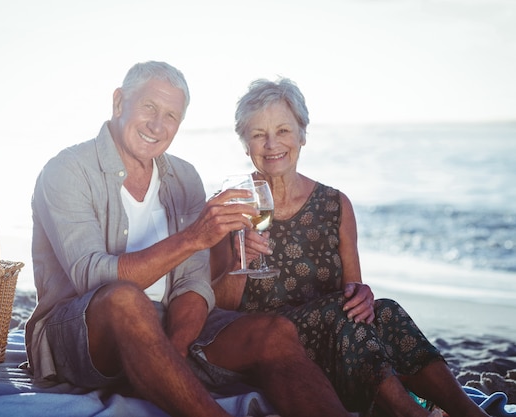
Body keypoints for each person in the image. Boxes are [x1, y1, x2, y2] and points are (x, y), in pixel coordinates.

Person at [25, 61, 353, 417]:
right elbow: (91, 276)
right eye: (149, 107)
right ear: (119, 102)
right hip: (83, 336)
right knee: (125, 300)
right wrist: (193, 238)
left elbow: (193, 282)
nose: (157, 125)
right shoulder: (67, 170)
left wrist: (176, 348)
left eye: (171, 116)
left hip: (169, 326)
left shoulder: (184, 177)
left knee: (275, 331)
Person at [210, 77, 490, 417]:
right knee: (341, 315)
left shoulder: (335, 204)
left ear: (302, 134)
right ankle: (410, 413)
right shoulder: (230, 206)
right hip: (273, 348)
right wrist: (242, 259)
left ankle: (470, 412)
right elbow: (220, 311)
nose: (272, 144)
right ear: (244, 143)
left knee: (385, 310)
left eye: (283, 130)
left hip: (336, 341)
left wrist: (364, 296)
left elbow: (353, 292)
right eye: (258, 134)